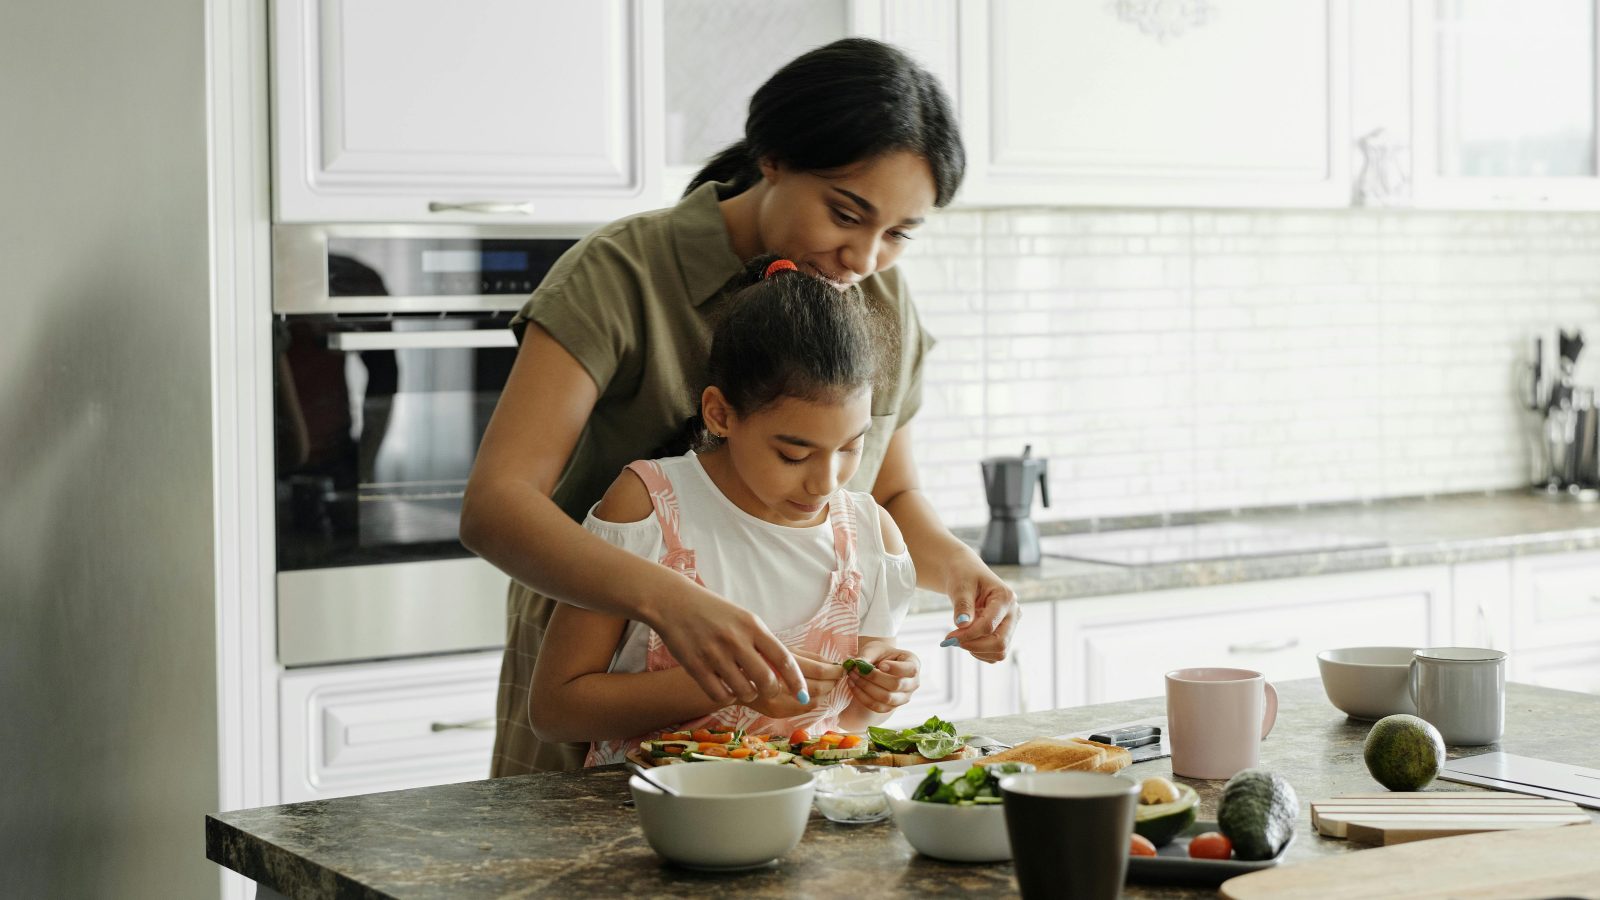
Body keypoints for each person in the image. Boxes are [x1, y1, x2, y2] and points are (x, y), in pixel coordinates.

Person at [461, 37, 1020, 776]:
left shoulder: (877, 295)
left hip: (783, 742)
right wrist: (672, 603)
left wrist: (960, 572)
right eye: (846, 213)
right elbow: (496, 506)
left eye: (898, 235)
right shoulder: (621, 273)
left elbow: (887, 492)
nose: (865, 257)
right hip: (602, 667)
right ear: (774, 159)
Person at [530, 256, 920, 763]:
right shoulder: (649, 508)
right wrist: (728, 685)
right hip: (645, 819)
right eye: (794, 454)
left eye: (851, 447)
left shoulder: (870, 537)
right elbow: (555, 710)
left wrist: (880, 694)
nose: (826, 481)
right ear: (720, 413)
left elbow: (848, 724)